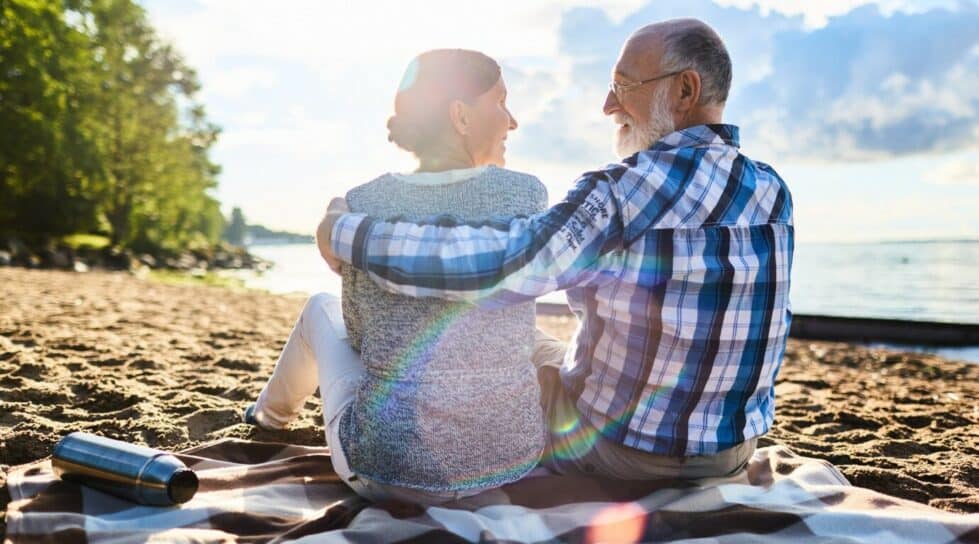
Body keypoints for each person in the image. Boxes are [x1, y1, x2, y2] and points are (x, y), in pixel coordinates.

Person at [321, 19, 794, 481]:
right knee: (533, 345)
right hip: (732, 451)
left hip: (623, 453)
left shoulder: (622, 193)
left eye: (624, 85)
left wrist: (349, 233)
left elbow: (498, 267)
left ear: (685, 91)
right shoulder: (774, 191)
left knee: (499, 347)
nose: (609, 105)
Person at [248, 49, 548, 504]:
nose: (513, 121)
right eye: (502, 102)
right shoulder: (527, 194)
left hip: (387, 472)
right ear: (460, 116)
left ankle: (268, 418)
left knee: (320, 309)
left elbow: (362, 333)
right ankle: (267, 416)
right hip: (507, 463)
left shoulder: (363, 202)